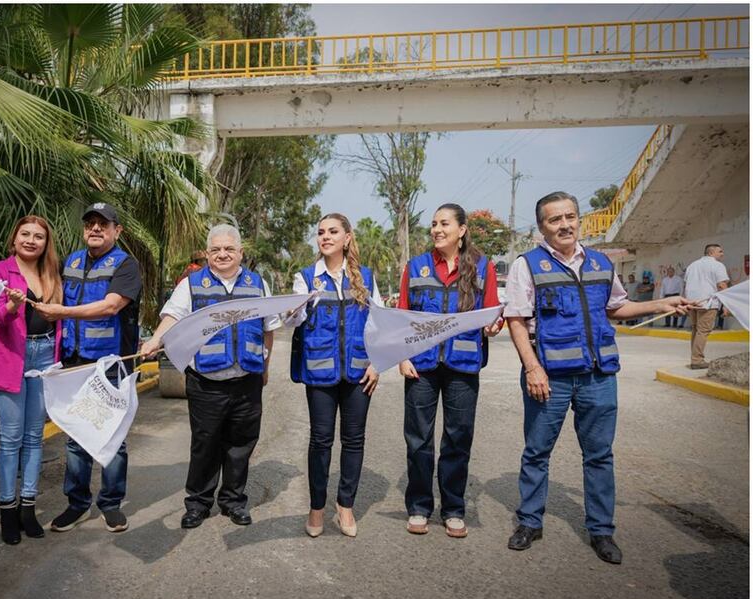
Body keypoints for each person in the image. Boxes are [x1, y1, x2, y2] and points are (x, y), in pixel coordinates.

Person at [504, 191, 689, 564]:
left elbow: (617, 306)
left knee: (600, 456)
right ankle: (529, 521)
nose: (565, 225)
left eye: (570, 216)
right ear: (542, 227)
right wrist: (532, 367)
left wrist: (660, 304)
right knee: (537, 452)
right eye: (555, 219)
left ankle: (601, 531)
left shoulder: (602, 263)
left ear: (580, 220)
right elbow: (517, 320)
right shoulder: (529, 265)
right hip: (550, 377)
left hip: (598, 375)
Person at [140, 224, 281, 529]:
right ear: (206, 254)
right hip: (206, 380)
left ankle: (233, 501)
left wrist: (264, 367)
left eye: (229, 249)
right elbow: (172, 316)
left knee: (241, 443)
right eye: (216, 249)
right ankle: (198, 503)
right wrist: (154, 340)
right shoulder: (191, 284)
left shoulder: (258, 284)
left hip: (247, 378)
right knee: (205, 444)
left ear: (241, 253)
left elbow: (269, 329)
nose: (222, 254)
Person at [33, 202, 142, 534]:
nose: (95, 229)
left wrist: (60, 313)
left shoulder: (126, 266)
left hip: (110, 364)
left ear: (116, 231)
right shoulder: (71, 261)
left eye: (103, 224)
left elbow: (111, 307)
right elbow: (44, 288)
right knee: (75, 437)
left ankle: (110, 504)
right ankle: (76, 504)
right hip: (73, 362)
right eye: (90, 224)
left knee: (112, 437)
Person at [396, 204, 503, 538]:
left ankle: (454, 509)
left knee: (458, 438)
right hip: (422, 366)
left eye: (444, 224)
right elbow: (402, 316)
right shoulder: (415, 267)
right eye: (433, 224)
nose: (437, 229)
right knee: (418, 439)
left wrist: (493, 326)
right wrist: (402, 356)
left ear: (462, 229)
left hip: (463, 365)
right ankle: (419, 506)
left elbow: (490, 313)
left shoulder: (483, 267)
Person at [286, 213, 382, 538]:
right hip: (320, 373)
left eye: (333, 231)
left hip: (359, 373)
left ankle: (345, 506)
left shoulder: (365, 277)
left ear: (347, 237)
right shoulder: (305, 277)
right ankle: (316, 508)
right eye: (321, 232)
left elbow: (379, 324)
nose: (325, 237)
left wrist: (377, 364)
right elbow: (291, 322)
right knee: (321, 440)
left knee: (354, 440)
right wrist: (294, 310)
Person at [0, 216, 63, 545]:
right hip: (10, 357)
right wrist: (12, 305)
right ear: (14, 239)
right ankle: (7, 510)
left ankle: (29, 506)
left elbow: (59, 321)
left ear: (46, 242)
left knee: (34, 437)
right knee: (11, 437)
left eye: (38, 236)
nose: (31, 240)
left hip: (44, 358)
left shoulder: (52, 274)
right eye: (25, 234)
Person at [684, 244, 730, 369]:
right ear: (711, 252)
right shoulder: (718, 265)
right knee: (703, 331)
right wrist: (727, 305)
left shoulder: (692, 265)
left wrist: (686, 303)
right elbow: (722, 285)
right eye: (720, 251)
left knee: (696, 330)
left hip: (692, 302)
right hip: (708, 303)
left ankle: (695, 358)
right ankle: (697, 360)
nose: (722, 254)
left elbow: (686, 285)